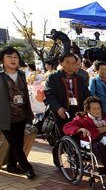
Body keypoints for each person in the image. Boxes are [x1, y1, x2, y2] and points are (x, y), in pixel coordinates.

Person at [63, 96, 106, 180]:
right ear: (88, 110)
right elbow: (66, 127)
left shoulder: (105, 118)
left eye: (98, 108)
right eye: (94, 109)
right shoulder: (81, 119)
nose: (97, 111)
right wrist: (80, 129)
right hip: (92, 142)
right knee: (99, 146)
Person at [0, 46, 36, 179]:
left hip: (20, 114)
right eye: (9, 57)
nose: (13, 59)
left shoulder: (21, 74)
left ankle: (11, 164)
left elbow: (25, 93)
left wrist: (28, 113)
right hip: (4, 115)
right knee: (15, 143)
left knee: (17, 142)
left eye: (15, 57)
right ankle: (27, 167)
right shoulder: (0, 74)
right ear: (2, 59)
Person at [44, 52, 90, 134]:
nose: (71, 66)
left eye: (73, 63)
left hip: (78, 111)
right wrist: (58, 107)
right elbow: (49, 94)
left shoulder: (79, 78)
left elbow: (86, 94)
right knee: (63, 135)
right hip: (62, 111)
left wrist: (88, 108)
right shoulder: (53, 77)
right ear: (61, 63)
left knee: (78, 134)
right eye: (67, 62)